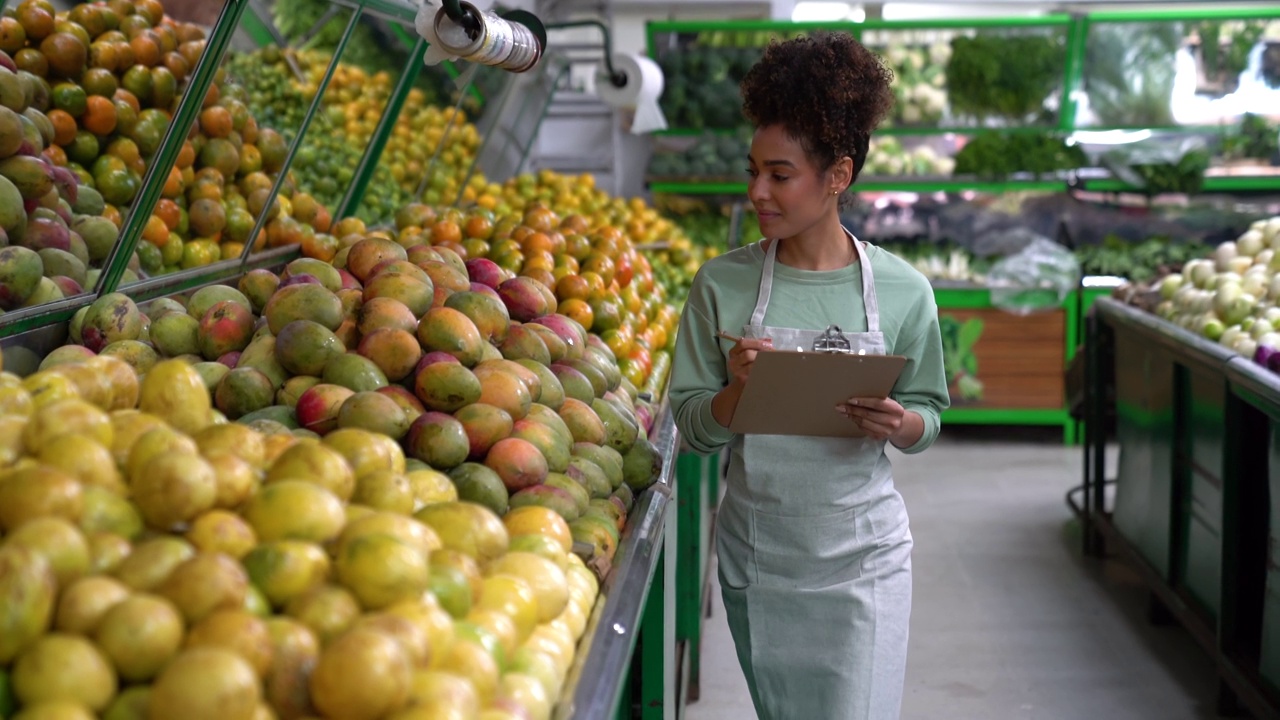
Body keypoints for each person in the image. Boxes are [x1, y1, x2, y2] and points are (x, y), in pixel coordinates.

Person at [668, 31, 950, 720]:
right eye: (752, 170)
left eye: (780, 173)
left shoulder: (905, 290)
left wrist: (903, 423)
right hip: (761, 556)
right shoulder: (722, 286)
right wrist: (736, 396)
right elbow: (693, 428)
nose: (756, 191)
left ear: (838, 176)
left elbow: (929, 413)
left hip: (864, 558)